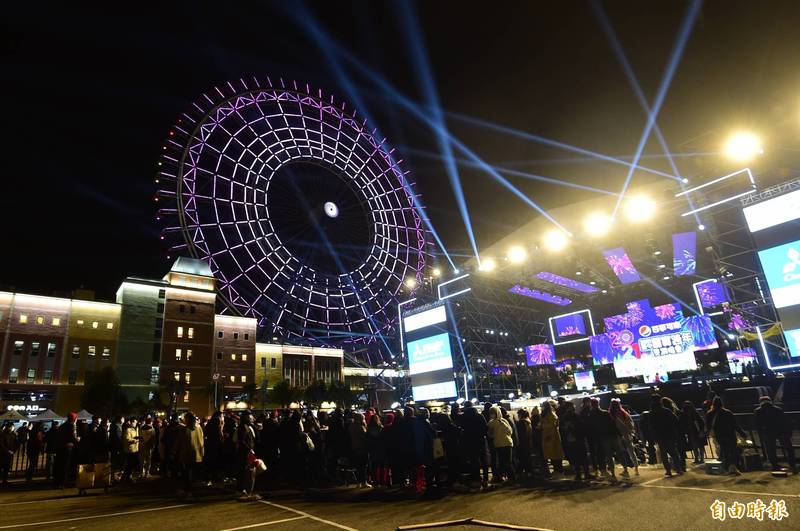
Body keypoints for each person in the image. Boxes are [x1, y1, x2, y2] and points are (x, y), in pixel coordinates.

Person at [754, 396, 796, 473]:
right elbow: (785, 421)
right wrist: (789, 432)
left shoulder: (758, 411)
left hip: (767, 432)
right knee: (788, 448)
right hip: (781, 431)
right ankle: (792, 464)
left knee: (770, 450)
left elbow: (757, 424)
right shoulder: (778, 409)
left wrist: (761, 432)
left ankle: (775, 465)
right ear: (770, 401)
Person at [706, 396, 746, 475]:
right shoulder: (727, 412)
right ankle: (733, 467)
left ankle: (728, 468)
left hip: (719, 435)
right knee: (733, 451)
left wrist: (707, 433)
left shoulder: (710, 413)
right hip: (730, 434)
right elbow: (735, 424)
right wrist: (742, 433)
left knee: (725, 451)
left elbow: (708, 425)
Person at [650, 395, 684, 477]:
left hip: (659, 436)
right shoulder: (666, 411)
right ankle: (679, 469)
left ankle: (668, 471)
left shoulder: (651, 413)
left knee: (663, 454)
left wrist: (654, 436)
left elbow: (651, 426)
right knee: (674, 453)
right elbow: (676, 420)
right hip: (669, 434)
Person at [587, 398, 619, 479]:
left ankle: (607, 472)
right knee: (612, 454)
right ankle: (616, 471)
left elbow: (590, 428)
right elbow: (613, 424)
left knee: (602, 455)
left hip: (599, 438)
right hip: (609, 435)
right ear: (598, 404)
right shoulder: (605, 413)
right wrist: (616, 435)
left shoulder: (590, 415)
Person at [460, 402, 489, 489]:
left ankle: (477, 479)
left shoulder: (464, 417)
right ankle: (486, 478)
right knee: (484, 459)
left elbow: (461, 429)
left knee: (474, 460)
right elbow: (485, 427)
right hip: (480, 440)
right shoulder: (479, 416)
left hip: (470, 442)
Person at [176, 412, 204, 500]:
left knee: (186, 473)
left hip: (187, 453)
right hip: (197, 453)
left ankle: (188, 491)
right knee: (192, 473)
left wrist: (173, 452)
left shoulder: (184, 429)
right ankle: (189, 491)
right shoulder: (199, 428)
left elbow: (179, 442)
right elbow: (202, 440)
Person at [560, 402, 590, 481]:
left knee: (575, 457)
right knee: (583, 457)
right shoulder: (575, 415)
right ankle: (586, 473)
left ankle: (578, 474)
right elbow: (580, 426)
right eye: (572, 406)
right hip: (578, 438)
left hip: (570, 439)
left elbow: (564, 429)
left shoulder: (564, 417)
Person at [609, 398, 638, 477]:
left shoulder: (612, 415)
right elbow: (631, 422)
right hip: (627, 434)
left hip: (619, 435)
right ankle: (636, 468)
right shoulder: (623, 412)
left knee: (622, 453)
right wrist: (631, 432)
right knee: (631, 451)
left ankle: (626, 469)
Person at [487, 405, 514, 483]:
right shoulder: (491, 423)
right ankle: (503, 477)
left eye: (493, 413)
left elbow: (510, 432)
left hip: (507, 443)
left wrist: (503, 425)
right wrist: (490, 433)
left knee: (508, 462)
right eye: (491, 413)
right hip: (498, 445)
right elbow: (490, 435)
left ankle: (512, 477)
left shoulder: (503, 421)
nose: (492, 414)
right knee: (502, 462)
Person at [236, 412, 259, 500]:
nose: (252, 418)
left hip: (248, 451)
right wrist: (249, 449)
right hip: (245, 452)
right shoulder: (243, 427)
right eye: (250, 417)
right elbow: (242, 441)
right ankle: (243, 489)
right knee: (245, 470)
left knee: (248, 470)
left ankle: (245, 489)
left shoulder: (249, 427)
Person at [53, 412, 79, 488]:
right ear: (74, 419)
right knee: (65, 466)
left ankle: (58, 482)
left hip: (60, 448)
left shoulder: (62, 425)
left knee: (60, 465)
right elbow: (74, 437)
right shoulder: (72, 425)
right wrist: (78, 439)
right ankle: (63, 483)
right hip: (67, 448)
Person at [540, 401, 564, 476]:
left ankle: (559, 471)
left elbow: (553, 425)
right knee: (551, 454)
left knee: (556, 454)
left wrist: (543, 425)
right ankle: (556, 470)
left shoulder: (551, 415)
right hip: (547, 437)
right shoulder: (546, 415)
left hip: (553, 437)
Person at [348, 412, 371, 488]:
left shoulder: (351, 427)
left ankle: (359, 483)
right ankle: (364, 482)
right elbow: (365, 438)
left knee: (358, 466)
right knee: (364, 466)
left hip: (354, 448)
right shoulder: (361, 427)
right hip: (362, 448)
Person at [366, 413, 385, 487]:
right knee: (381, 467)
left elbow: (367, 440)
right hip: (380, 449)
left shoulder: (369, 429)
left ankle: (375, 481)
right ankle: (382, 481)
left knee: (374, 466)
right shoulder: (381, 428)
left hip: (373, 450)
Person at [514, 408, 533, 477]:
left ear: (521, 414)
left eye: (518, 414)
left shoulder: (521, 422)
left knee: (523, 458)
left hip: (523, 443)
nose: (518, 415)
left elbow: (520, 434)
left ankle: (524, 472)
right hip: (528, 442)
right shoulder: (528, 421)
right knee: (527, 457)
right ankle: (528, 471)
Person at [121, 418, 139, 482]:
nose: (136, 424)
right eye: (135, 422)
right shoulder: (128, 430)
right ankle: (126, 478)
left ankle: (125, 477)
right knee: (129, 465)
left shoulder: (134, 429)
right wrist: (136, 440)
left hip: (134, 449)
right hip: (130, 450)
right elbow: (127, 439)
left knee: (130, 465)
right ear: (131, 422)